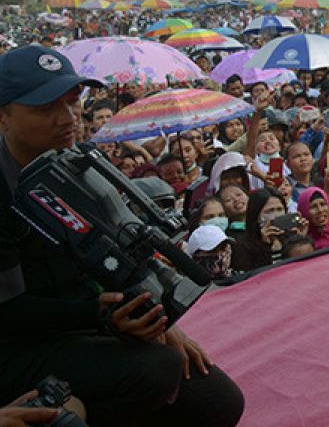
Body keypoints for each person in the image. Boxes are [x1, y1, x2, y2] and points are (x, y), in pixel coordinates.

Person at [0, 45, 244, 426]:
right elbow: (8, 312)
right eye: (46, 107)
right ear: (3, 117)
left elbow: (116, 255)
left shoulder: (79, 163)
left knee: (219, 402)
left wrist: (155, 318)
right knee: (157, 369)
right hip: (21, 347)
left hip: (87, 326)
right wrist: (104, 317)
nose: (67, 118)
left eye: (72, 102)